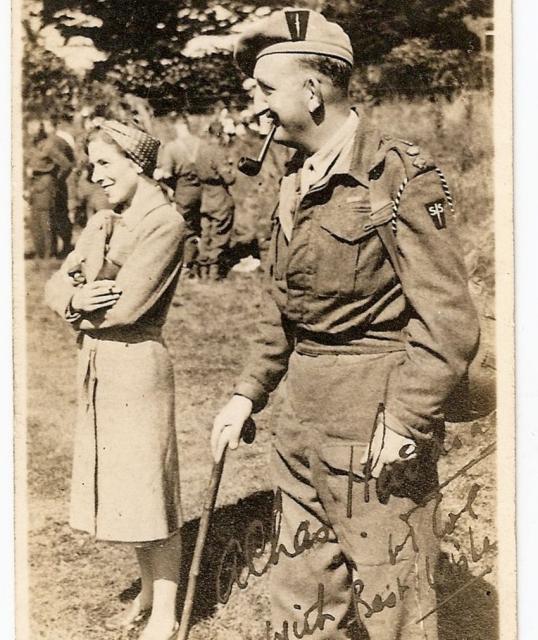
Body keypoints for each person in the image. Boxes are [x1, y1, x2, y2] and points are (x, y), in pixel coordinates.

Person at [211, 9, 480, 640]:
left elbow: (449, 321)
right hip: (300, 418)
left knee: (395, 602)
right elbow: (283, 306)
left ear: (313, 90)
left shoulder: (398, 173)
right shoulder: (292, 177)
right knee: (301, 597)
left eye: (265, 91)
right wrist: (247, 392)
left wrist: (408, 419)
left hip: (376, 417)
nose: (256, 108)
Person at [45, 120, 184, 640]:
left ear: (137, 164)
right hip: (100, 364)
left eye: (104, 164)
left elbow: (127, 307)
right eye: (91, 164)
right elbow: (58, 282)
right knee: (126, 486)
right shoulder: (105, 220)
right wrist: (76, 298)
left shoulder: (164, 223)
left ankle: (167, 610)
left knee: (151, 488)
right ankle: (147, 592)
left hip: (137, 366)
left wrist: (80, 300)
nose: (94, 175)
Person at [156, 118, 203, 276]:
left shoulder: (172, 147)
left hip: (183, 191)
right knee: (200, 226)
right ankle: (201, 260)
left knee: (184, 227)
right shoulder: (200, 143)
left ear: (176, 127)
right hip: (204, 191)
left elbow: (167, 173)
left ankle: (185, 265)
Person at [26, 123, 73, 259]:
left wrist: (55, 180)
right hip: (35, 184)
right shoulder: (34, 146)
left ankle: (50, 253)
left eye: (33, 131)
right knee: (36, 219)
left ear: (40, 131)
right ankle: (41, 253)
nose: (31, 134)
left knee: (46, 218)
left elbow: (66, 165)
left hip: (47, 185)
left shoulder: (50, 146)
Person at [196, 123, 236, 281]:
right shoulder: (218, 152)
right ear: (221, 134)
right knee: (220, 234)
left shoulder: (201, 151)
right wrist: (231, 170)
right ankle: (213, 274)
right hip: (220, 197)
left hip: (206, 197)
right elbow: (229, 179)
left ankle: (202, 273)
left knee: (206, 234)